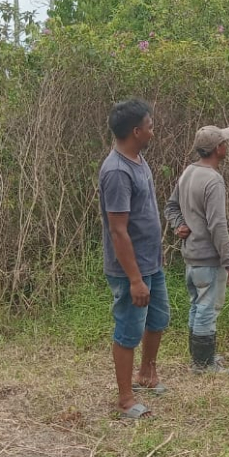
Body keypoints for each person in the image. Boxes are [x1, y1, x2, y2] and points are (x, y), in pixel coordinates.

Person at [99, 99, 170, 419]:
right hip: (132, 270)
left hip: (151, 262)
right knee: (128, 330)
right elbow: (118, 231)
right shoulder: (116, 171)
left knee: (158, 320)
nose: (153, 130)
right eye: (150, 125)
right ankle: (126, 399)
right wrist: (135, 279)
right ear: (136, 131)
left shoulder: (139, 160)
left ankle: (147, 374)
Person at [164, 125, 229, 374]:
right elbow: (218, 226)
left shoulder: (188, 172)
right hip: (208, 258)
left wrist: (179, 225)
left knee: (197, 305)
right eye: (225, 143)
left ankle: (201, 358)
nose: (227, 147)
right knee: (208, 307)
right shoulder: (213, 180)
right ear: (218, 148)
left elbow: (170, 207)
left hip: (191, 256)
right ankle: (203, 365)